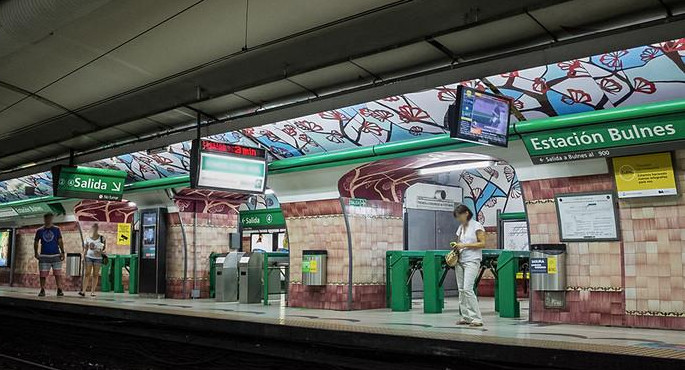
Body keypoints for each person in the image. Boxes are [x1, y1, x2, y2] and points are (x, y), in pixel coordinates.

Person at [451, 204, 486, 327]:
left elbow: (482, 243)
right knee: (461, 290)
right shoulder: (460, 228)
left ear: (466, 213)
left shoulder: (477, 226)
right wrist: (456, 246)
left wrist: (465, 245)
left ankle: (476, 318)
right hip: (460, 260)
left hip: (472, 260)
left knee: (467, 288)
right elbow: (459, 242)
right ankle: (465, 316)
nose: (458, 219)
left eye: (459, 216)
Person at [34, 213, 65, 297]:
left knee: (58, 274)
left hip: (56, 254)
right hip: (44, 256)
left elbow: (60, 241)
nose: (48, 220)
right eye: (46, 218)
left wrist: (62, 252)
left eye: (50, 218)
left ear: (52, 219)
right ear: (44, 219)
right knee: (42, 275)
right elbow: (36, 242)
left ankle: (59, 289)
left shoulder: (56, 229)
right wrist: (36, 252)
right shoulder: (39, 231)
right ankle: (42, 289)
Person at [79, 223, 106, 297]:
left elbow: (103, 248)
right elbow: (85, 249)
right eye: (94, 227)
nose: (95, 228)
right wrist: (83, 257)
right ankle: (83, 291)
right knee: (87, 273)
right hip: (89, 256)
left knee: (95, 274)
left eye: (96, 227)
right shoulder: (87, 238)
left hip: (98, 257)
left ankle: (93, 291)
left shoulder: (102, 238)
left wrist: (99, 250)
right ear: (92, 228)